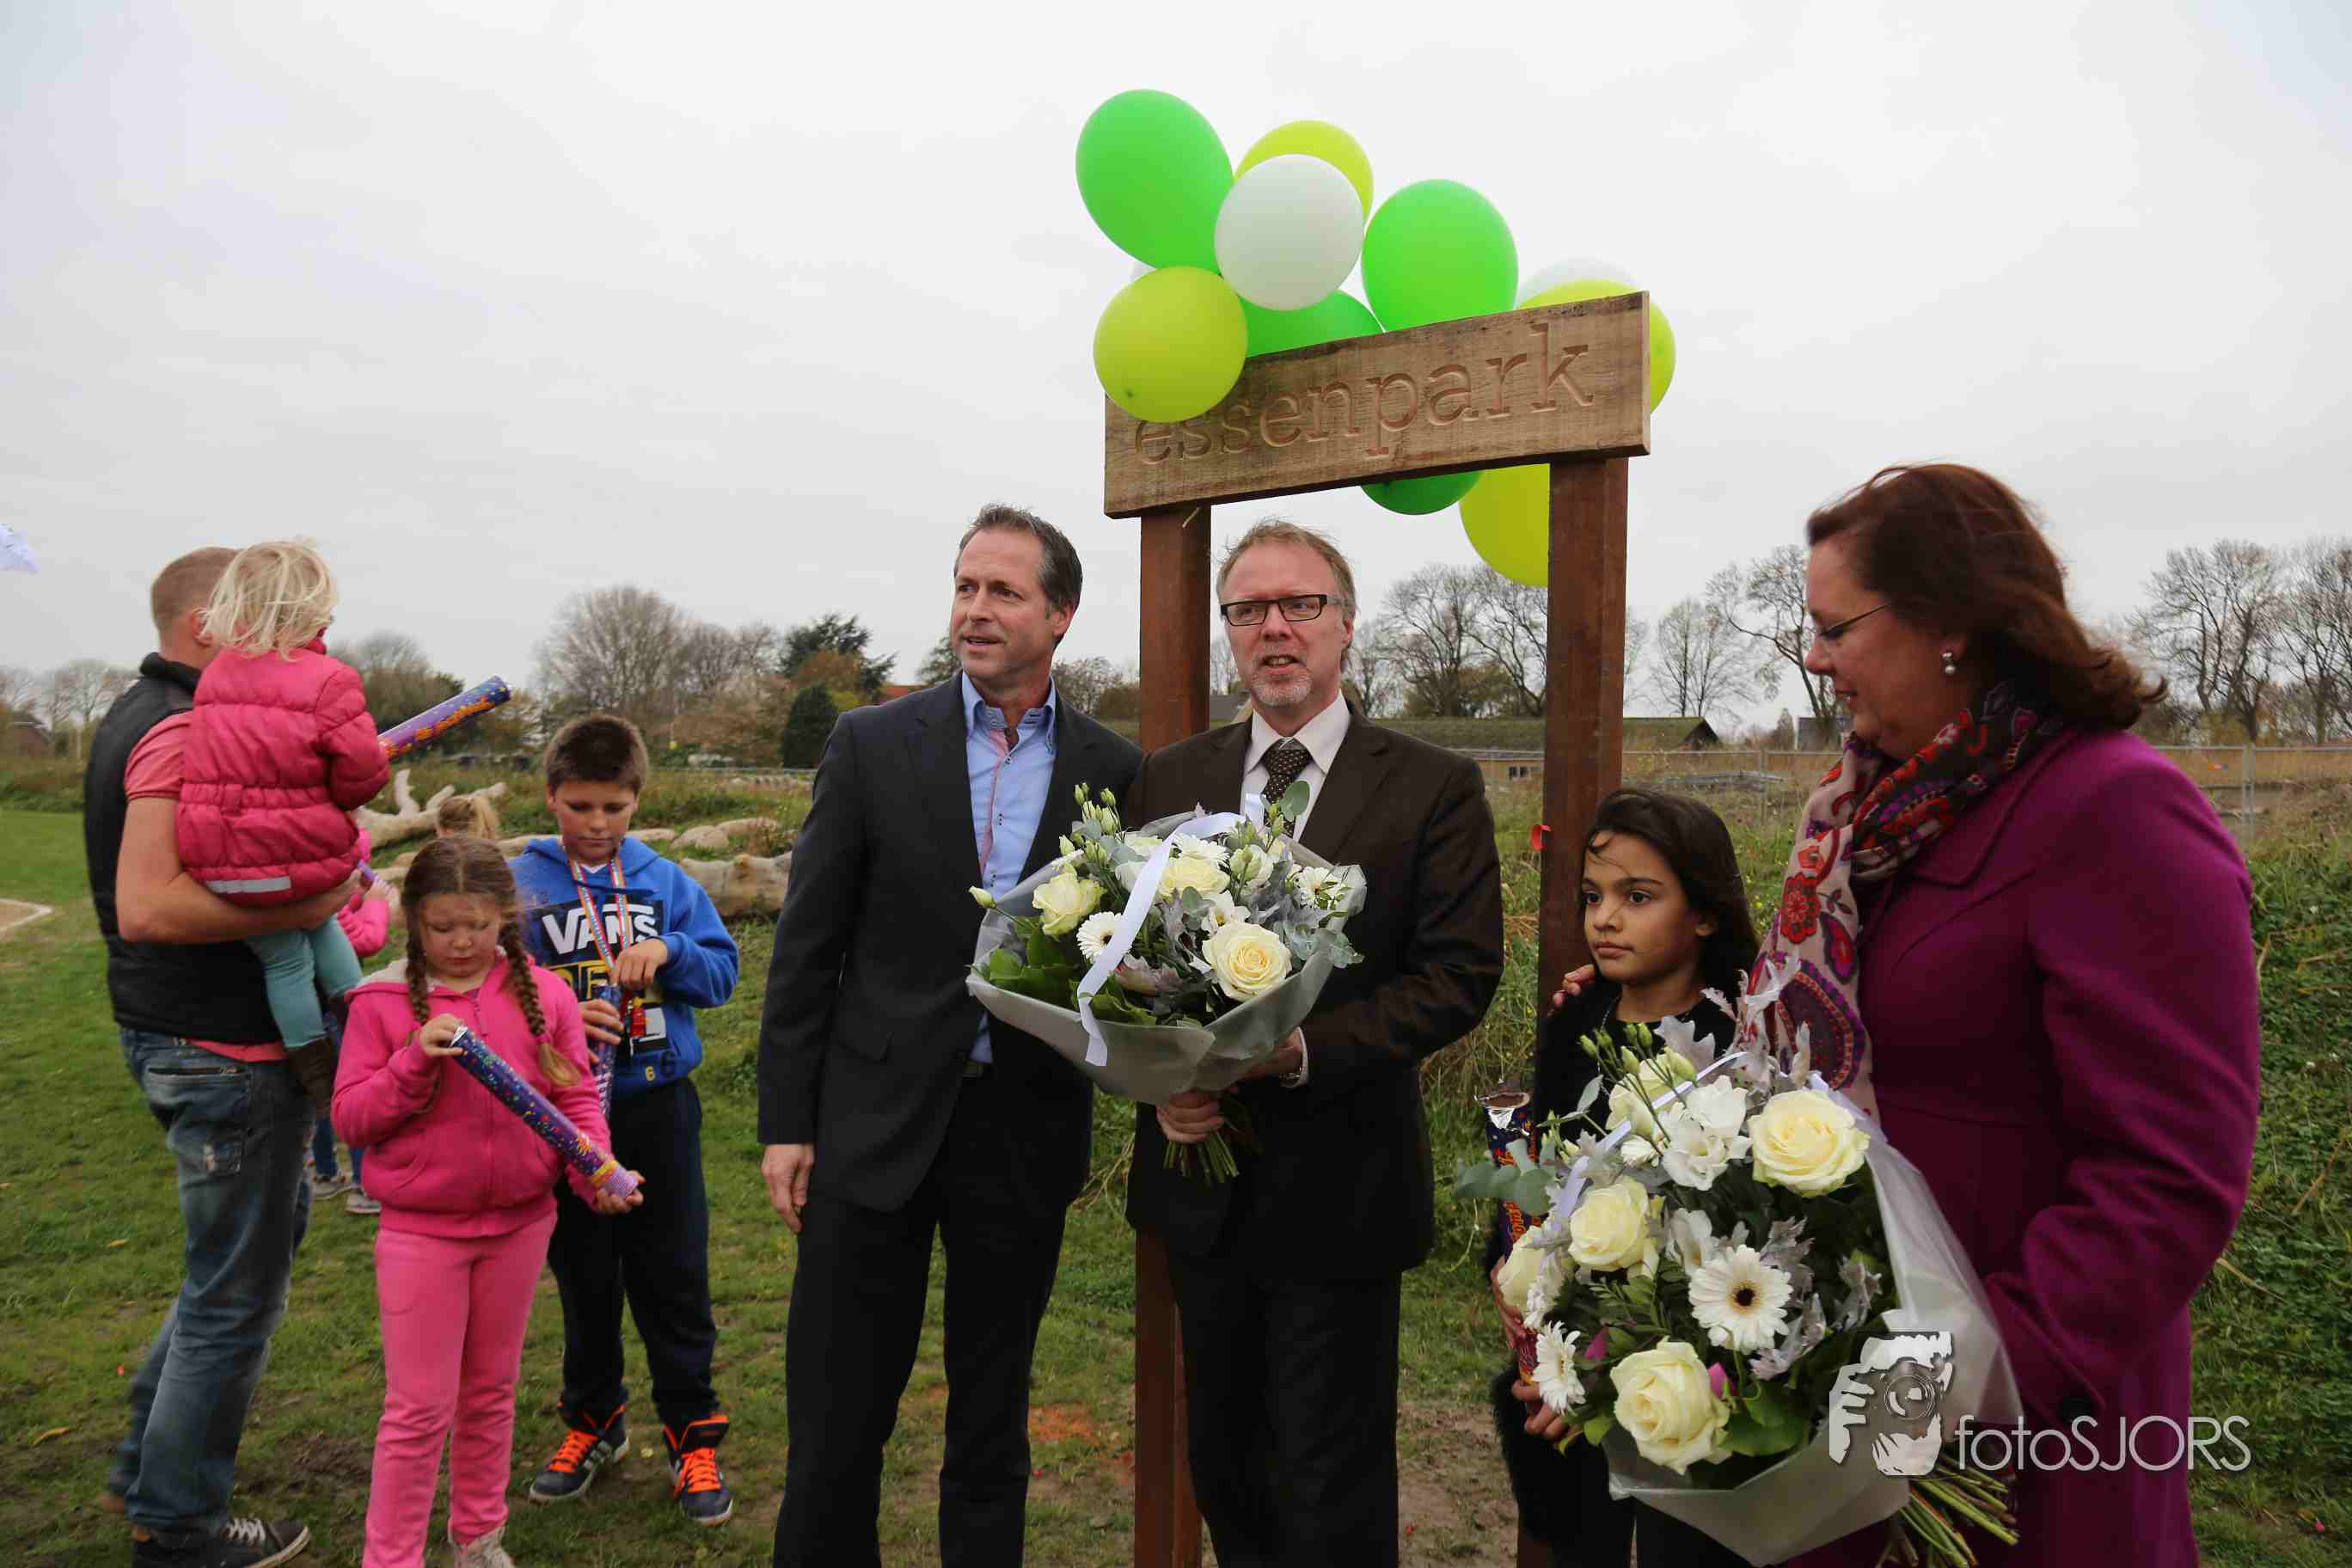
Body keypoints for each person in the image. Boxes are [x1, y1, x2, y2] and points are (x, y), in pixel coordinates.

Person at [1546, 466, 2259, 1566]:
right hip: (1844, 1406)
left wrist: (1955, 1380)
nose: (1816, 658)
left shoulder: (2115, 811)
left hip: (2015, 1434)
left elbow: (2170, 1177)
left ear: (1950, 623)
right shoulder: (1866, 823)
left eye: (1836, 628)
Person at [759, 505, 1141, 1566]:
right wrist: (788, 1122)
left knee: (990, 1424)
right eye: (965, 587)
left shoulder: (1115, 769)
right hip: (868, 1126)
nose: (975, 609)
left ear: (1060, 614)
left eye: (1003, 591)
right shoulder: (872, 744)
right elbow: (807, 947)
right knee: (836, 1423)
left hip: (1021, 1133)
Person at [1128, 519, 1505, 1567]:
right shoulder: (1170, 778)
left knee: (1330, 1489)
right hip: (1202, 1189)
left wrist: (1297, 1054)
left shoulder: (1431, 784)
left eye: (1300, 605)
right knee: (1228, 1472)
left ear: (1346, 624)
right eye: (1248, 610)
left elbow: (1458, 975)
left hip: (1344, 1191)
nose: (1275, 629)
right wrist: (1161, 1080)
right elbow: (1120, 965)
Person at [90, 546, 358, 1568]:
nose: (293, 639)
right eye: (268, 614)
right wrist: (315, 900)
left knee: (239, 1264)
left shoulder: (171, 712)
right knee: (234, 1299)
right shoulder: (177, 727)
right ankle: (179, 1527)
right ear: (210, 624)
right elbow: (149, 906)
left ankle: (146, 1470)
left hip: (200, 1038)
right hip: (220, 1049)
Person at [333, 837, 639, 1567]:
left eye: (478, 924)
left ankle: (477, 1539)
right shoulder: (379, 1002)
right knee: (418, 1410)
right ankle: (391, 1559)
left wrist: (593, 1173)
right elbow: (351, 1119)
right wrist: (413, 1061)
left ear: (505, 916)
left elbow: (573, 1099)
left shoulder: (547, 995)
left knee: (491, 1393)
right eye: (443, 927)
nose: (462, 941)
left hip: (521, 1226)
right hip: (422, 1234)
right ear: (414, 920)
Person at [1487, 790, 1757, 1568]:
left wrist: (1612, 1361)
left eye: (1638, 897)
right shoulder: (1579, 1021)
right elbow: (1541, 1170)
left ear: (1703, 912)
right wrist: (1513, 1275)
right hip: (1563, 1359)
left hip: (1682, 1369)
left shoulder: (1736, 1043)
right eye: (1592, 897)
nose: (1605, 919)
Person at [508, 714, 742, 1523]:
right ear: (550, 797)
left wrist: (673, 952)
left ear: (637, 799)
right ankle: (594, 1422)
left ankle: (692, 1436)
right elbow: (491, 989)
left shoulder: (666, 882)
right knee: (585, 1276)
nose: (597, 824)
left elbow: (723, 973)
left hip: (657, 1107)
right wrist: (555, 1014)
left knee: (674, 1275)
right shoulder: (521, 885)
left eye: (614, 807)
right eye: (580, 806)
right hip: (565, 1117)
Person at [173, 540, 389, 1113]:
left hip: (221, 867)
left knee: (287, 956)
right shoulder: (329, 679)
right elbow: (361, 775)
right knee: (319, 925)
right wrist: (338, 793)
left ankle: (315, 1070)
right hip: (297, 862)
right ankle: (369, 1027)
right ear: (315, 611)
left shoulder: (215, 674)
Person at [307, 829, 392, 1205]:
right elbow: (363, 938)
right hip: (333, 1000)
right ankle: (364, 1186)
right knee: (354, 1085)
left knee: (321, 1086)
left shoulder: (307, 871)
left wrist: (358, 895)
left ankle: (326, 1172)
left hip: (308, 999)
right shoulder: (321, 883)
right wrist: (376, 903)